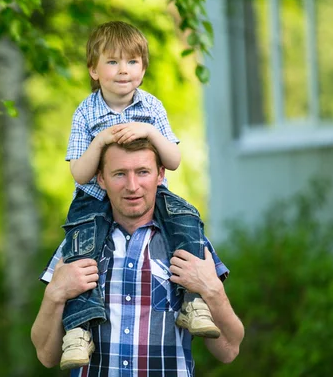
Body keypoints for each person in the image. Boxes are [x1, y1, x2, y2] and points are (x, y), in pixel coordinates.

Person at [59, 20, 218, 370]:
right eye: (112, 62)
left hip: (151, 194)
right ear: (94, 70)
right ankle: (78, 330)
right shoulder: (86, 111)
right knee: (82, 254)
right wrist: (100, 141)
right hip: (94, 198)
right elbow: (79, 172)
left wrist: (149, 131)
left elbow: (173, 160)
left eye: (132, 62)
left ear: (143, 69)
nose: (123, 71)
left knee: (186, 220)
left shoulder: (151, 107)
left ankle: (193, 303)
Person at [32, 139, 245, 376]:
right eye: (120, 174)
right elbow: (45, 355)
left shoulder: (188, 242)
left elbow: (228, 350)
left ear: (160, 175)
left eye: (142, 172)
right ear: (101, 178)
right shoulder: (78, 245)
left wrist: (212, 289)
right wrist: (55, 294)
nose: (132, 186)